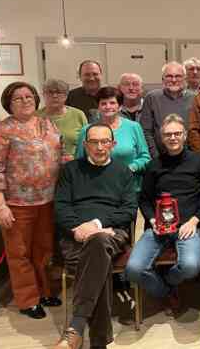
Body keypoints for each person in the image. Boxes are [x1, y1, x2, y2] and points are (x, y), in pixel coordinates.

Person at [0, 82, 63, 319]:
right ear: (8, 103)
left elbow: (60, 154)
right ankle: (28, 300)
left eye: (29, 96)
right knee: (19, 253)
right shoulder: (1, 130)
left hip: (47, 201)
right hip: (16, 204)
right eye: (18, 98)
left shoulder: (47, 123)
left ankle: (45, 291)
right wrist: (0, 206)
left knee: (44, 250)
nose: (25, 101)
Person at [52, 123, 137, 349]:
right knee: (99, 260)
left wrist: (97, 225)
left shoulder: (123, 172)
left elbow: (128, 210)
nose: (100, 147)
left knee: (98, 243)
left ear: (113, 144)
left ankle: (76, 327)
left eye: (105, 142)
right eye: (94, 142)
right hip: (75, 236)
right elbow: (61, 207)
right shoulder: (70, 171)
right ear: (85, 144)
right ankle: (98, 343)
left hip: (112, 232)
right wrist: (76, 229)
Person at [125, 114, 200, 314]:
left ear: (185, 135)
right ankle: (165, 290)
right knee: (133, 270)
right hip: (158, 227)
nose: (173, 138)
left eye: (177, 133)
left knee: (190, 267)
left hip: (188, 227)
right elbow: (144, 199)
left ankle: (169, 281)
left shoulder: (199, 162)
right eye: (168, 134)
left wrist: (195, 220)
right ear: (162, 138)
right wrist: (152, 220)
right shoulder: (154, 165)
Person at [76, 86, 150, 194]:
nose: (108, 106)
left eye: (112, 103)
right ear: (98, 107)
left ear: (120, 106)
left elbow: (145, 158)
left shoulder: (134, 127)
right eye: (103, 103)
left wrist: (131, 168)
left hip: (129, 188)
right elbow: (79, 163)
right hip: (96, 188)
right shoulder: (86, 131)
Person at [140, 62, 195, 158]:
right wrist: (156, 157)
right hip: (159, 159)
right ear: (162, 79)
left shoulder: (195, 99)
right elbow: (146, 131)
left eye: (178, 76)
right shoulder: (152, 98)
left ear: (185, 79)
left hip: (188, 159)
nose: (173, 80)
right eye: (169, 76)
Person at [38, 78, 87, 159]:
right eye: (50, 92)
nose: (55, 96)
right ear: (43, 95)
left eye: (59, 92)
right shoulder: (36, 116)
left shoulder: (78, 114)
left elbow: (86, 143)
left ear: (66, 95)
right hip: (43, 166)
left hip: (73, 164)